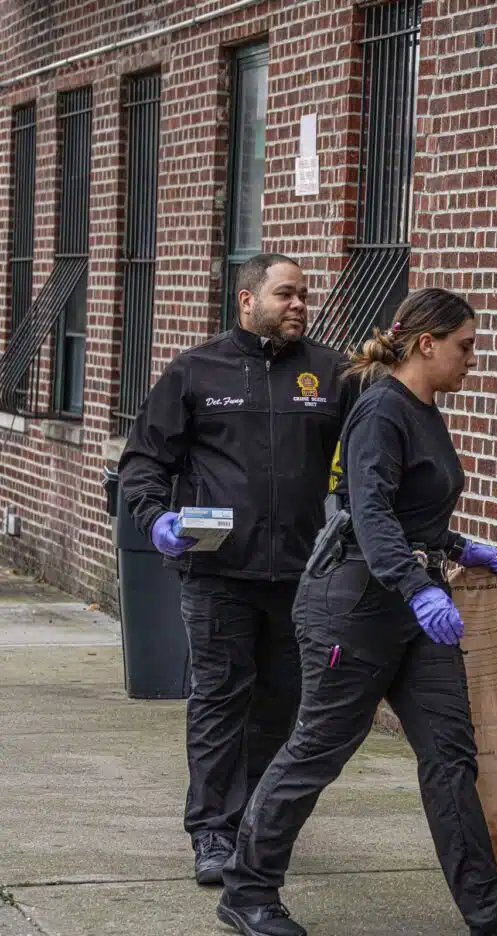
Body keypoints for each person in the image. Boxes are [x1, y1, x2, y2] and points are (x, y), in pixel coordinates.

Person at [216, 287, 497, 936]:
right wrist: (421, 589)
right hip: (353, 608)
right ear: (426, 343)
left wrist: (463, 548)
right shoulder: (382, 410)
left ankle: (492, 912)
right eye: (465, 347)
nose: (474, 359)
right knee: (318, 751)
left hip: (413, 608)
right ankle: (247, 892)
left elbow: (412, 513)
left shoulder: (424, 410)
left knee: (450, 755)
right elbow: (371, 511)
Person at [119, 253, 356, 885]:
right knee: (221, 701)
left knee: (281, 706)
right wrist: (154, 519)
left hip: (302, 576)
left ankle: (257, 826)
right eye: (286, 294)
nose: (300, 304)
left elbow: (370, 453)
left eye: (305, 294)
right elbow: (145, 461)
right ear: (248, 301)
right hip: (218, 573)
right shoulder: (196, 371)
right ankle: (213, 835)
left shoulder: (332, 375)